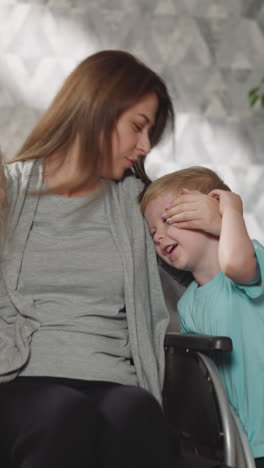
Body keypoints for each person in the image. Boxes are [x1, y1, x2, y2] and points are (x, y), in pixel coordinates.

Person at [0, 51, 220, 468]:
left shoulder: (140, 206)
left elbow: (213, 278)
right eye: (138, 126)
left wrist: (221, 227)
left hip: (113, 381)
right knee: (61, 413)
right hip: (18, 382)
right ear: (96, 107)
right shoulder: (8, 190)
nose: (144, 147)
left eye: (150, 135)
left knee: (136, 412)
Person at [140, 166, 264, 467]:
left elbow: (234, 263)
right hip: (235, 441)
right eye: (153, 231)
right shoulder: (188, 304)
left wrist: (230, 211)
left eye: (168, 220)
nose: (159, 237)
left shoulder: (250, 260)